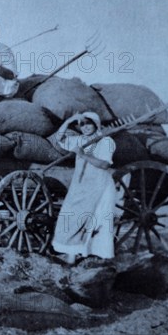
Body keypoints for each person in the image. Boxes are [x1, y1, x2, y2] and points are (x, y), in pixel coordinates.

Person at [52, 112, 117, 265]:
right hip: (81, 185)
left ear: (96, 124)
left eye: (88, 123)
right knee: (69, 217)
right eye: (82, 124)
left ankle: (91, 256)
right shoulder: (80, 140)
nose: (85, 127)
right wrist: (68, 121)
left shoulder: (106, 141)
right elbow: (59, 139)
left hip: (99, 186)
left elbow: (104, 164)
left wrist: (82, 154)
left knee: (91, 220)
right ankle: (72, 254)